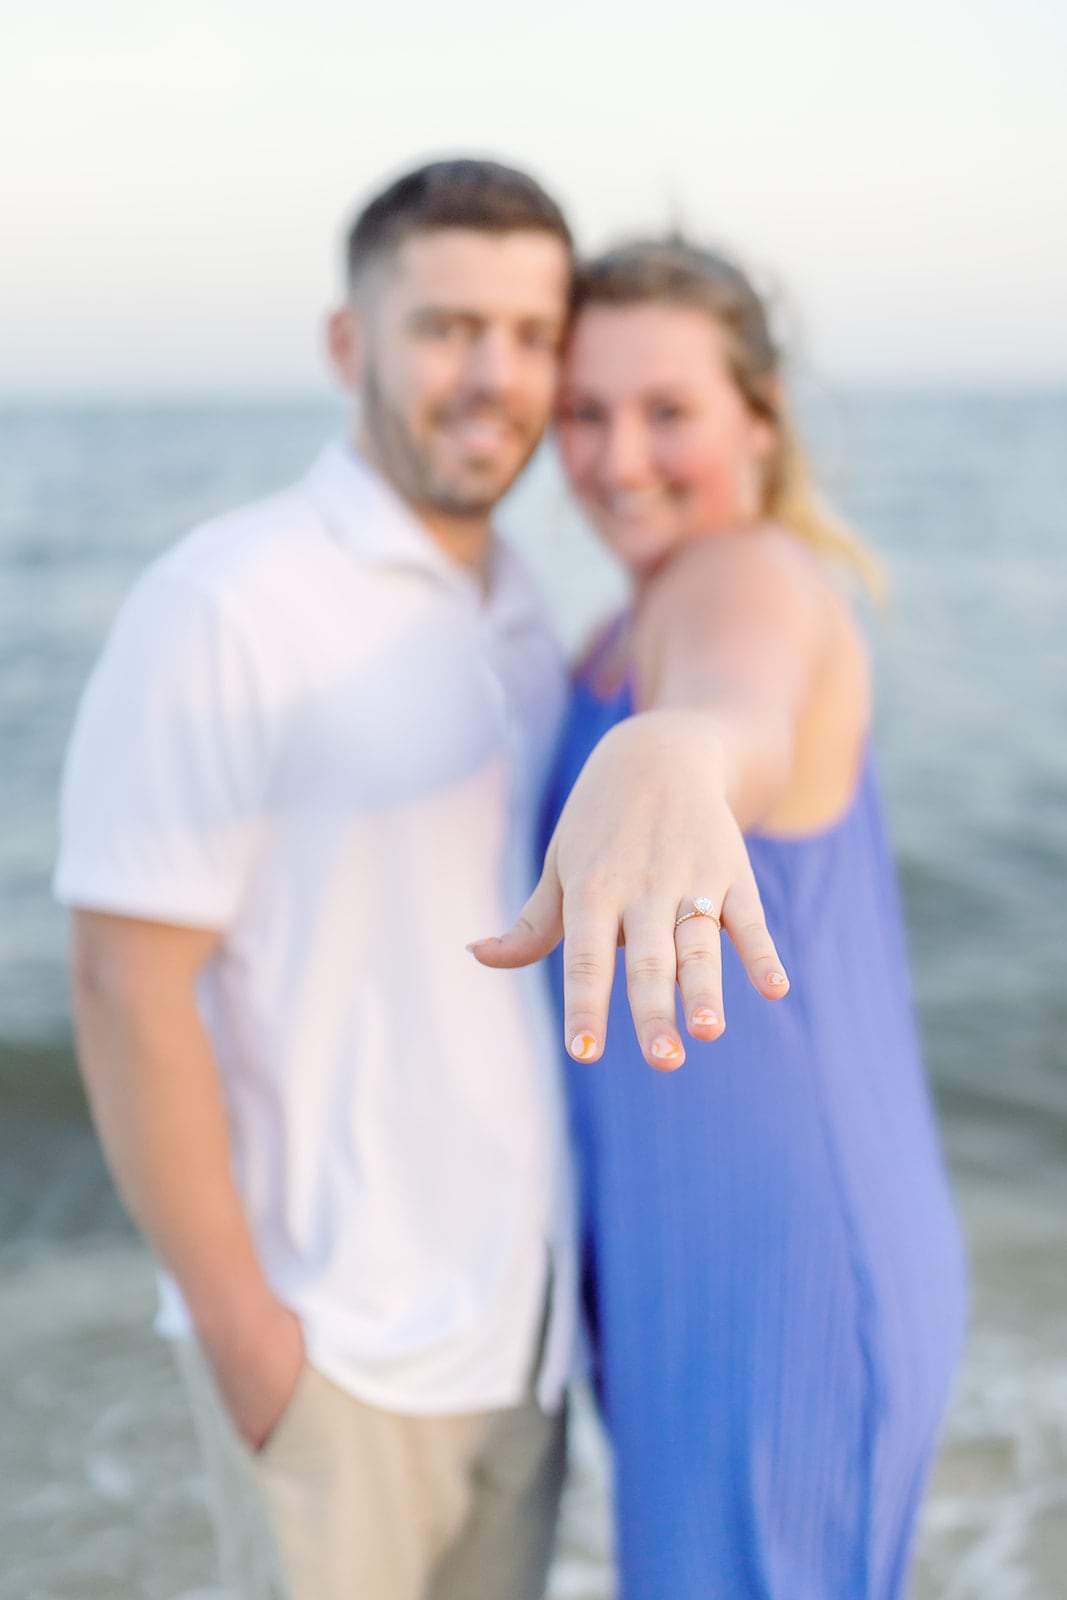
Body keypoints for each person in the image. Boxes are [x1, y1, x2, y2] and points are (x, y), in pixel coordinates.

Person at [55, 170, 786, 1600]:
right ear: (351, 344)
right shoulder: (231, 600)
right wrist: (247, 1334)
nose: (496, 377)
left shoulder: (527, 611)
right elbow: (122, 982)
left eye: (530, 333)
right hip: (337, 1350)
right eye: (448, 327)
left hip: (519, 1346)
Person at [479, 240, 968, 1599]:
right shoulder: (614, 620)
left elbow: (734, 704)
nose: (618, 456)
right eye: (585, 411)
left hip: (785, 1267)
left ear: (760, 418)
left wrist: (674, 750)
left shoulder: (745, 578)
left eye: (668, 410)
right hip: (680, 1259)